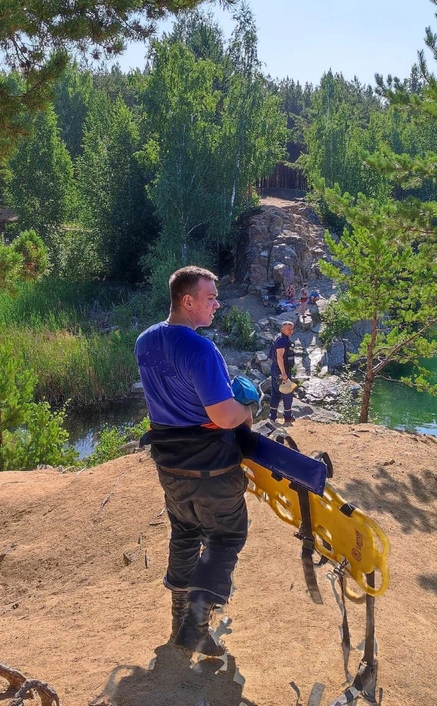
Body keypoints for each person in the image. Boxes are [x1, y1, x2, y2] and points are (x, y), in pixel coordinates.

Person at [134, 266, 254, 657]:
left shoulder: (145, 341)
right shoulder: (201, 348)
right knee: (226, 537)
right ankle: (196, 629)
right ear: (188, 301)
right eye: (211, 298)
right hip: (212, 467)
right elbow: (222, 416)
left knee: (185, 534)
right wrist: (250, 406)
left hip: (170, 467)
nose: (217, 304)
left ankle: (179, 622)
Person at [268, 320, 296, 424]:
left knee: (276, 392)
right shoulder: (282, 341)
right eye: (288, 329)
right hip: (281, 369)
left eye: (291, 329)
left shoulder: (279, 338)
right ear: (282, 328)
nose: (290, 331)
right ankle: (288, 417)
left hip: (276, 368)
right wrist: (283, 373)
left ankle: (272, 416)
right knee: (287, 392)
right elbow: (279, 357)